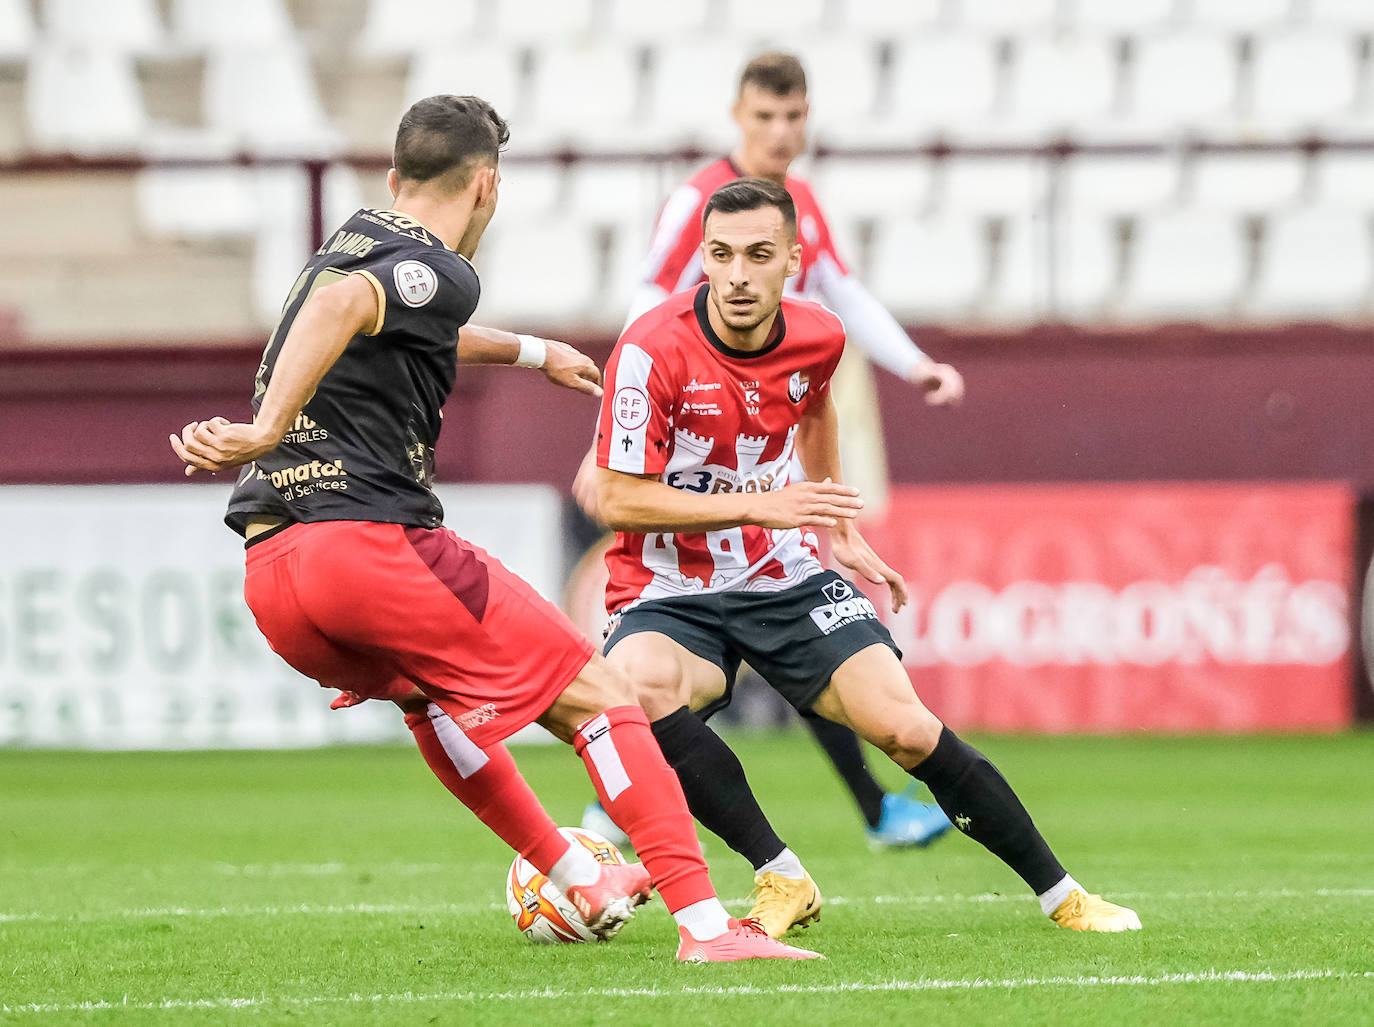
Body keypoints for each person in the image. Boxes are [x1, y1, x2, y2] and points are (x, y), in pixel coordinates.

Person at [169, 94, 820, 963]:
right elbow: (355, 310)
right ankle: (706, 925)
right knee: (602, 695)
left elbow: (382, 314)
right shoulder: (437, 264)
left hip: (275, 574)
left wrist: (532, 352)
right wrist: (262, 424)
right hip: (365, 547)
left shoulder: (346, 245)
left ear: (397, 177)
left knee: (428, 700)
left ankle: (573, 870)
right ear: (488, 186)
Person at [592, 177, 1142, 939]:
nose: (738, 275)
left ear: (794, 258)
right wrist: (759, 503)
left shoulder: (819, 334)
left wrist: (836, 521)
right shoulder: (649, 349)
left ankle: (1065, 895)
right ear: (704, 260)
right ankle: (779, 871)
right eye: (720, 256)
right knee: (636, 688)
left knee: (907, 729)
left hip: (782, 571)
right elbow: (617, 498)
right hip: (669, 589)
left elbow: (814, 402)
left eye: (758, 255)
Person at [577, 50, 960, 854]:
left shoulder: (801, 205)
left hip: (785, 408)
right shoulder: (700, 202)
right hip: (697, 429)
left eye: (795, 118)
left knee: (793, 617)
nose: (782, 133)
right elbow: (650, 303)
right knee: (710, 624)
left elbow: (843, 293)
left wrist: (913, 361)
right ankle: (620, 808)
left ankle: (870, 806)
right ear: (738, 117)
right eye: (766, 117)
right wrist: (609, 437)